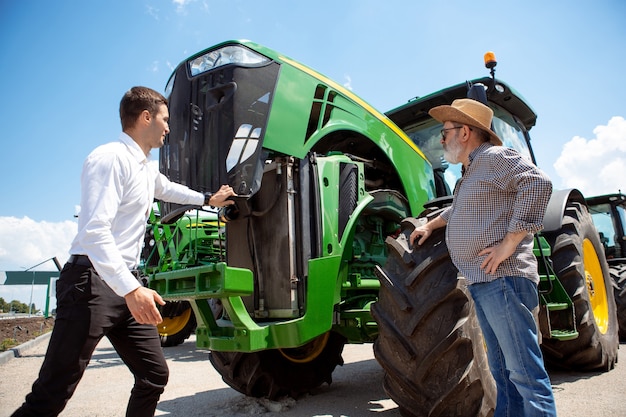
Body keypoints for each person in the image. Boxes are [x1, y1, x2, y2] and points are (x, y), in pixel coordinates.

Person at [12, 86, 236, 417]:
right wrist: (131, 289)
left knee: (154, 375)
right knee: (54, 390)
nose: (168, 128)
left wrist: (207, 200)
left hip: (128, 281)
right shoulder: (109, 159)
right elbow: (94, 232)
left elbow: (168, 190)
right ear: (146, 117)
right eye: (165, 119)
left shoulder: (144, 167)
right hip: (92, 282)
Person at [409, 98, 557, 416]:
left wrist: (509, 242)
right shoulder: (472, 173)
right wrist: (430, 225)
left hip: (503, 279)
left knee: (526, 377)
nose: (441, 138)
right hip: (486, 282)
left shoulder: (492, 157)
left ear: (465, 132)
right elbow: (458, 210)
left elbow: (538, 183)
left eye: (445, 131)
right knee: (504, 377)